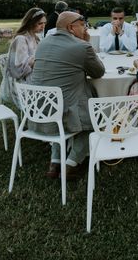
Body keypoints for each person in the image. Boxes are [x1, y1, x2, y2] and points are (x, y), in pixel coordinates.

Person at [30, 11, 105, 179]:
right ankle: (71, 163)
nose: (85, 28)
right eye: (82, 25)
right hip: (62, 110)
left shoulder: (44, 42)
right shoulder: (81, 46)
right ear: (71, 28)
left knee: (73, 97)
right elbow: (98, 72)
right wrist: (87, 43)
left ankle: (54, 161)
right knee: (95, 116)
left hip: (38, 109)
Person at [2, 7, 47, 108]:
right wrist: (37, 60)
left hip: (33, 75)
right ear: (31, 22)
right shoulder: (21, 39)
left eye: (44, 23)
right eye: (40, 23)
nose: (43, 26)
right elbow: (18, 70)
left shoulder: (36, 37)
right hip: (22, 83)